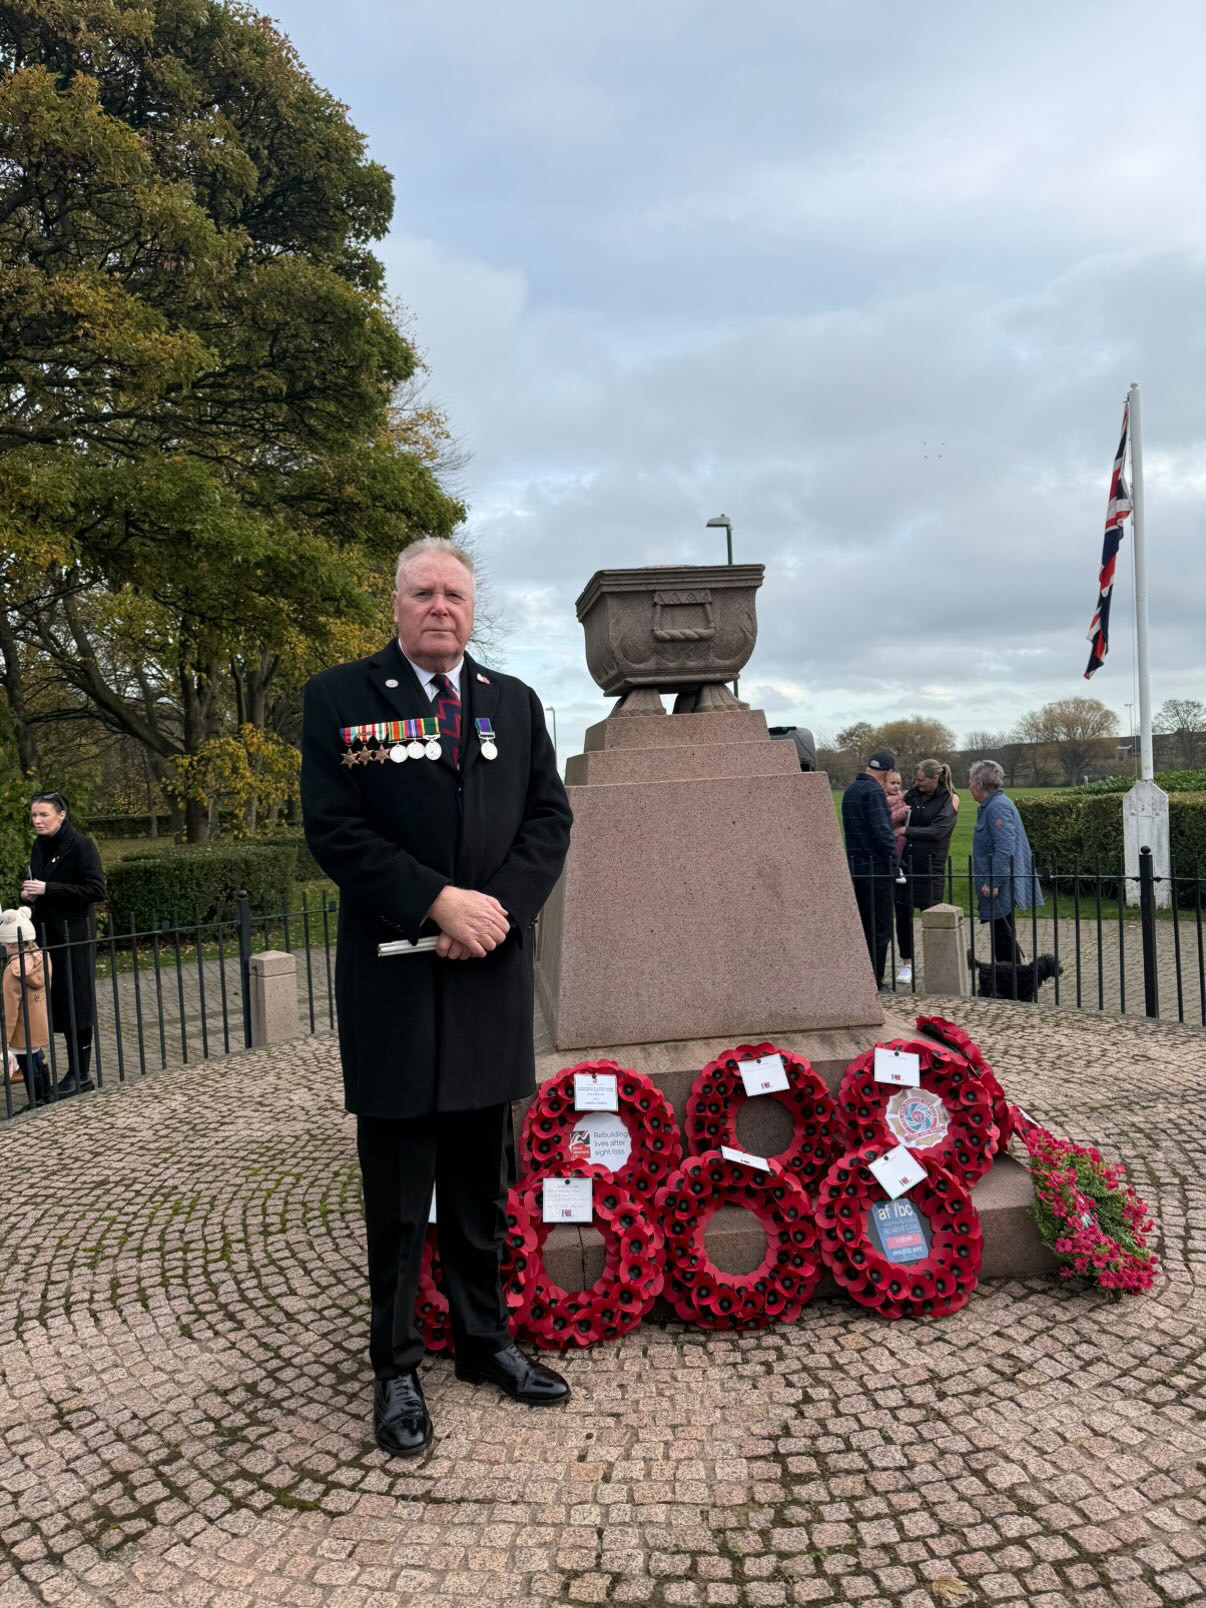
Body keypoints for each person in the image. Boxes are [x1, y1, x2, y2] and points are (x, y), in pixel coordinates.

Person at [300, 536, 574, 1460]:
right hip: (396, 984)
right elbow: (334, 831)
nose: (439, 608)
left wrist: (496, 912)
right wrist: (435, 900)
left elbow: (549, 819)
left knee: (477, 1186)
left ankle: (485, 1341)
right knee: (397, 1190)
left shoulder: (514, 703)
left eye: (454, 594)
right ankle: (395, 1368)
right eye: (423, 593)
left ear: (471, 606)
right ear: (395, 604)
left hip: (487, 976)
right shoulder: (339, 700)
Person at [20, 793, 105, 1096]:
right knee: (57, 1004)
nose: (37, 821)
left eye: (43, 815)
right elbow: (37, 883)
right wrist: (28, 895)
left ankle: (80, 1074)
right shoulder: (39, 845)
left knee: (76, 1002)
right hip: (47, 936)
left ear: (61, 815)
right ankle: (56, 1073)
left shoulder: (81, 846)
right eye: (33, 816)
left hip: (75, 935)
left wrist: (48, 888)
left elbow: (96, 889)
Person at [969, 758, 1042, 969]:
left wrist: (993, 882)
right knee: (1001, 933)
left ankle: (1010, 983)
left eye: (971, 781)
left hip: (1001, 884)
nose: (969, 786)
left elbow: (1004, 849)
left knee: (1003, 935)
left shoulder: (997, 807)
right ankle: (1008, 979)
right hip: (998, 882)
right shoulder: (991, 806)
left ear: (979, 784)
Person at [893, 760, 959, 988]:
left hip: (931, 866)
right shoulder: (911, 795)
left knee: (931, 915)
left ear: (935, 779)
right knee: (902, 915)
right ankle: (907, 963)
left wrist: (906, 830)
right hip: (906, 864)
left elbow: (939, 831)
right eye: (916, 779)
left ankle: (938, 964)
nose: (916, 784)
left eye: (921, 780)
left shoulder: (949, 798)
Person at [841, 750, 897, 990]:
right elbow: (882, 831)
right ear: (886, 773)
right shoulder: (874, 792)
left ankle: (862, 978)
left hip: (856, 867)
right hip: (877, 868)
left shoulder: (851, 790)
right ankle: (875, 980)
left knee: (863, 925)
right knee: (880, 928)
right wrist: (894, 860)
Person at [2, 906, 54, 1109]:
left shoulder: (12, 970)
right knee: (38, 1056)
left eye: (5, 944)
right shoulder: (40, 958)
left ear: (13, 944)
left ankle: (36, 1100)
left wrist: (5, 1038)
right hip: (37, 1020)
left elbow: (11, 1007)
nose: (4, 948)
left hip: (22, 1026)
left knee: (26, 1062)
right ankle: (48, 1095)